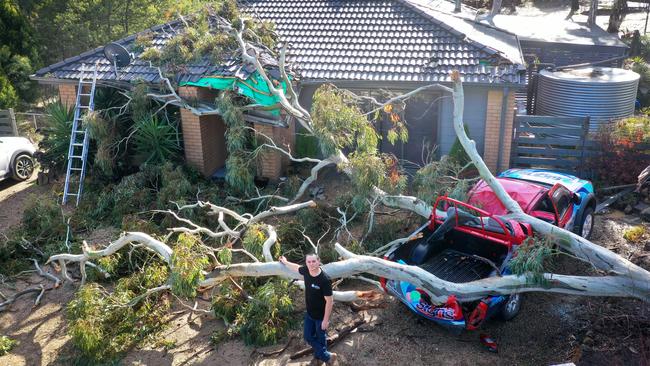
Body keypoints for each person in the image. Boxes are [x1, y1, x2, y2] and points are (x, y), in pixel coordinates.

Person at [279, 253, 337, 365]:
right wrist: (285, 262)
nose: (311, 264)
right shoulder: (306, 270)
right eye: (309, 262)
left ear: (318, 261)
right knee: (308, 336)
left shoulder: (324, 280)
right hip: (310, 314)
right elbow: (296, 267)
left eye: (313, 261)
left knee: (321, 338)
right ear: (306, 263)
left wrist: (325, 320)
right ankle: (327, 356)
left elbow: (329, 301)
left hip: (321, 316)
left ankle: (319, 358)